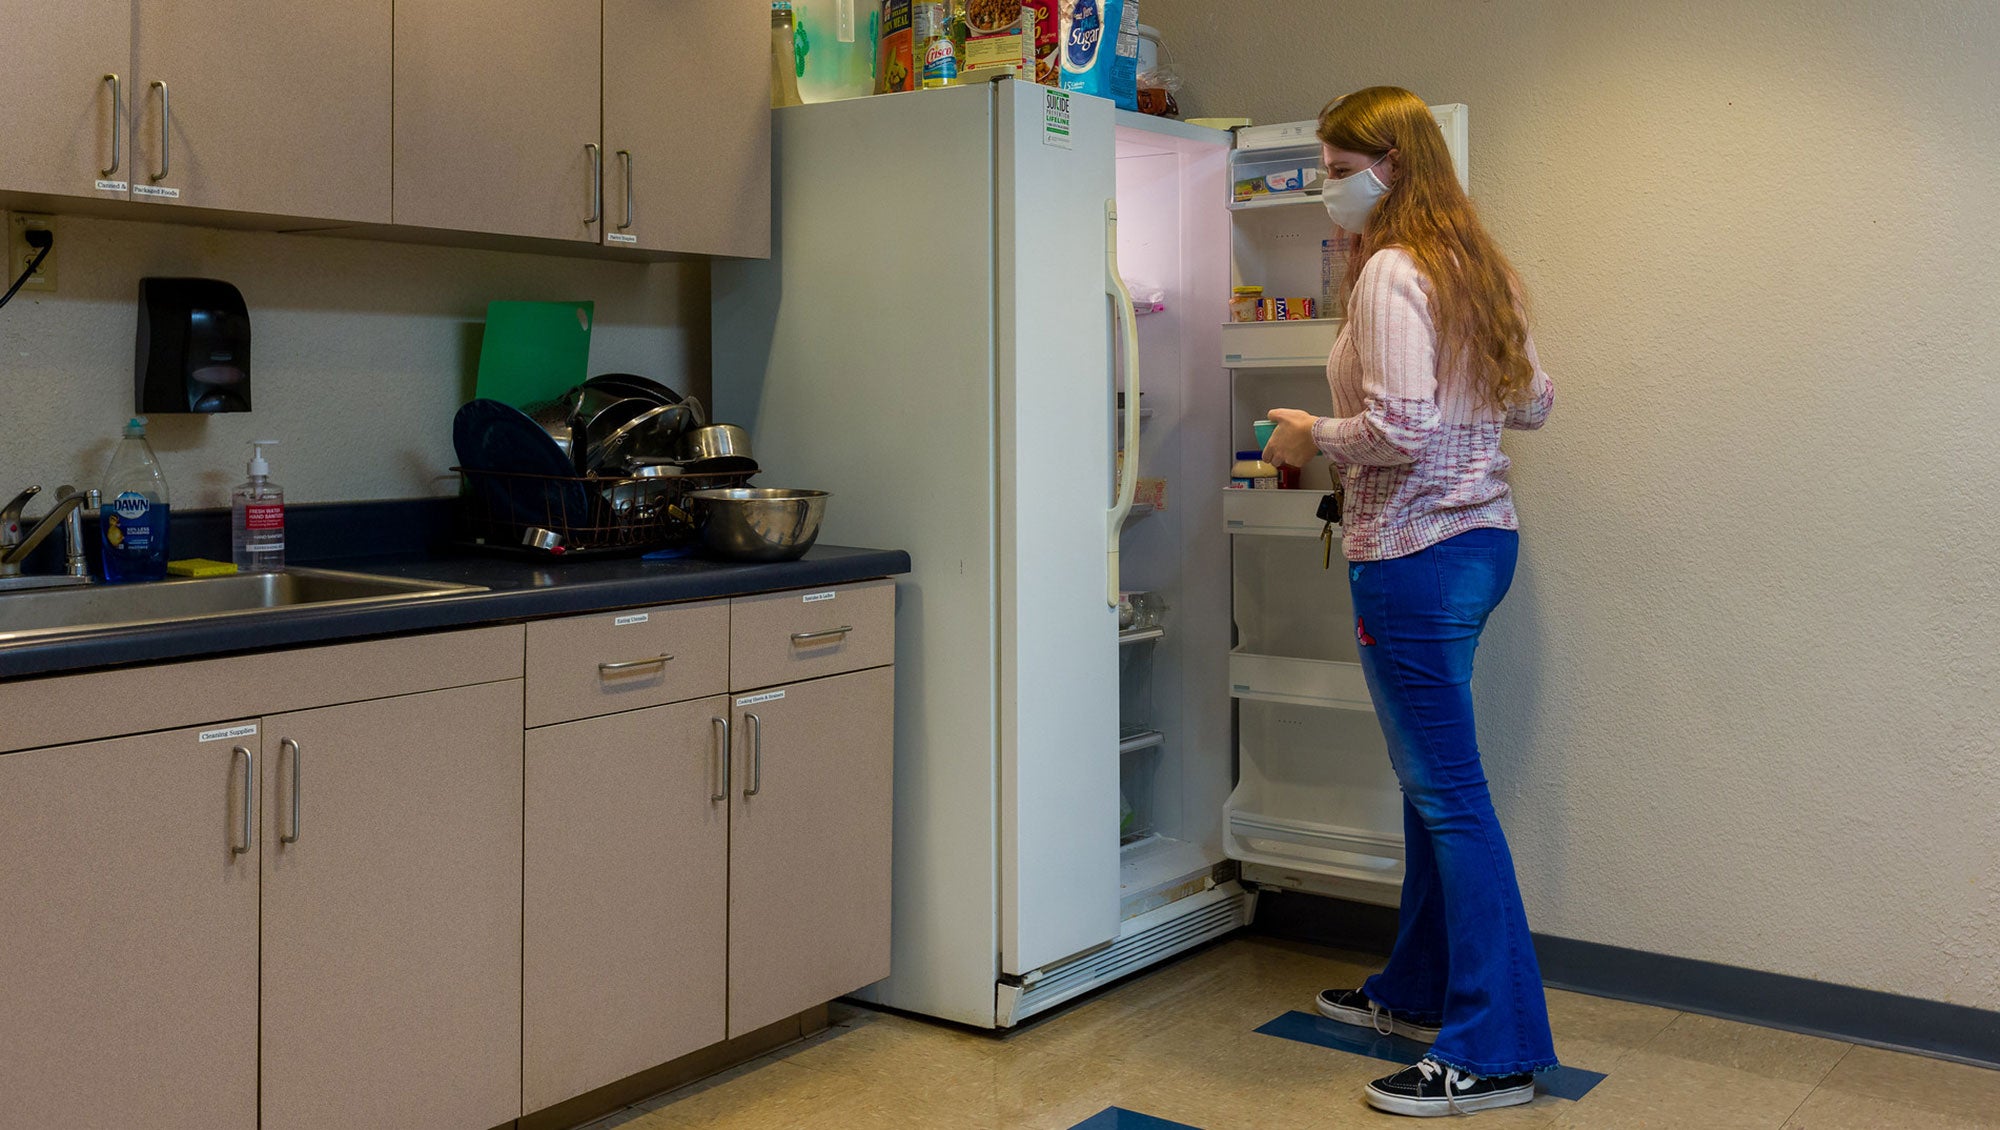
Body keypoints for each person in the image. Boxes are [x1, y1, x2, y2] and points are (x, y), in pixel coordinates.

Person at [1260, 85, 1559, 1118]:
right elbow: (1533, 399)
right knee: (1430, 784)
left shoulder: (1390, 269)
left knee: (1449, 797)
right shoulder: (1473, 264)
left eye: (1334, 166)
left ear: (1386, 166)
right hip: (1481, 541)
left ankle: (1494, 1048)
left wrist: (1310, 432)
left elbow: (1399, 429)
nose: (1324, 184)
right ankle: (1417, 987)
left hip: (1413, 553)